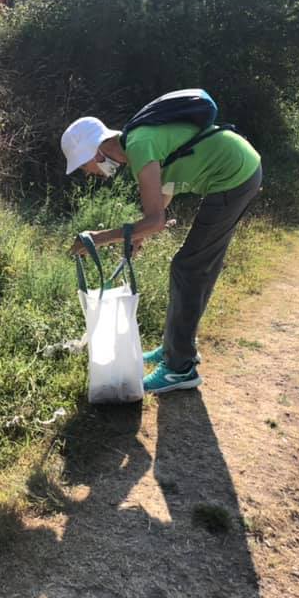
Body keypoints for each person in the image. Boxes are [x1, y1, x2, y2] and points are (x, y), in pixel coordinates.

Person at [60, 99, 262, 395]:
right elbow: (165, 193)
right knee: (198, 267)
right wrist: (136, 237)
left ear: (96, 152)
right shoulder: (138, 144)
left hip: (234, 177)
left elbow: (156, 221)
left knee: (188, 268)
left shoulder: (139, 146)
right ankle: (176, 347)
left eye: (84, 166)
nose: (88, 173)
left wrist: (97, 237)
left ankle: (179, 367)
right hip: (239, 169)